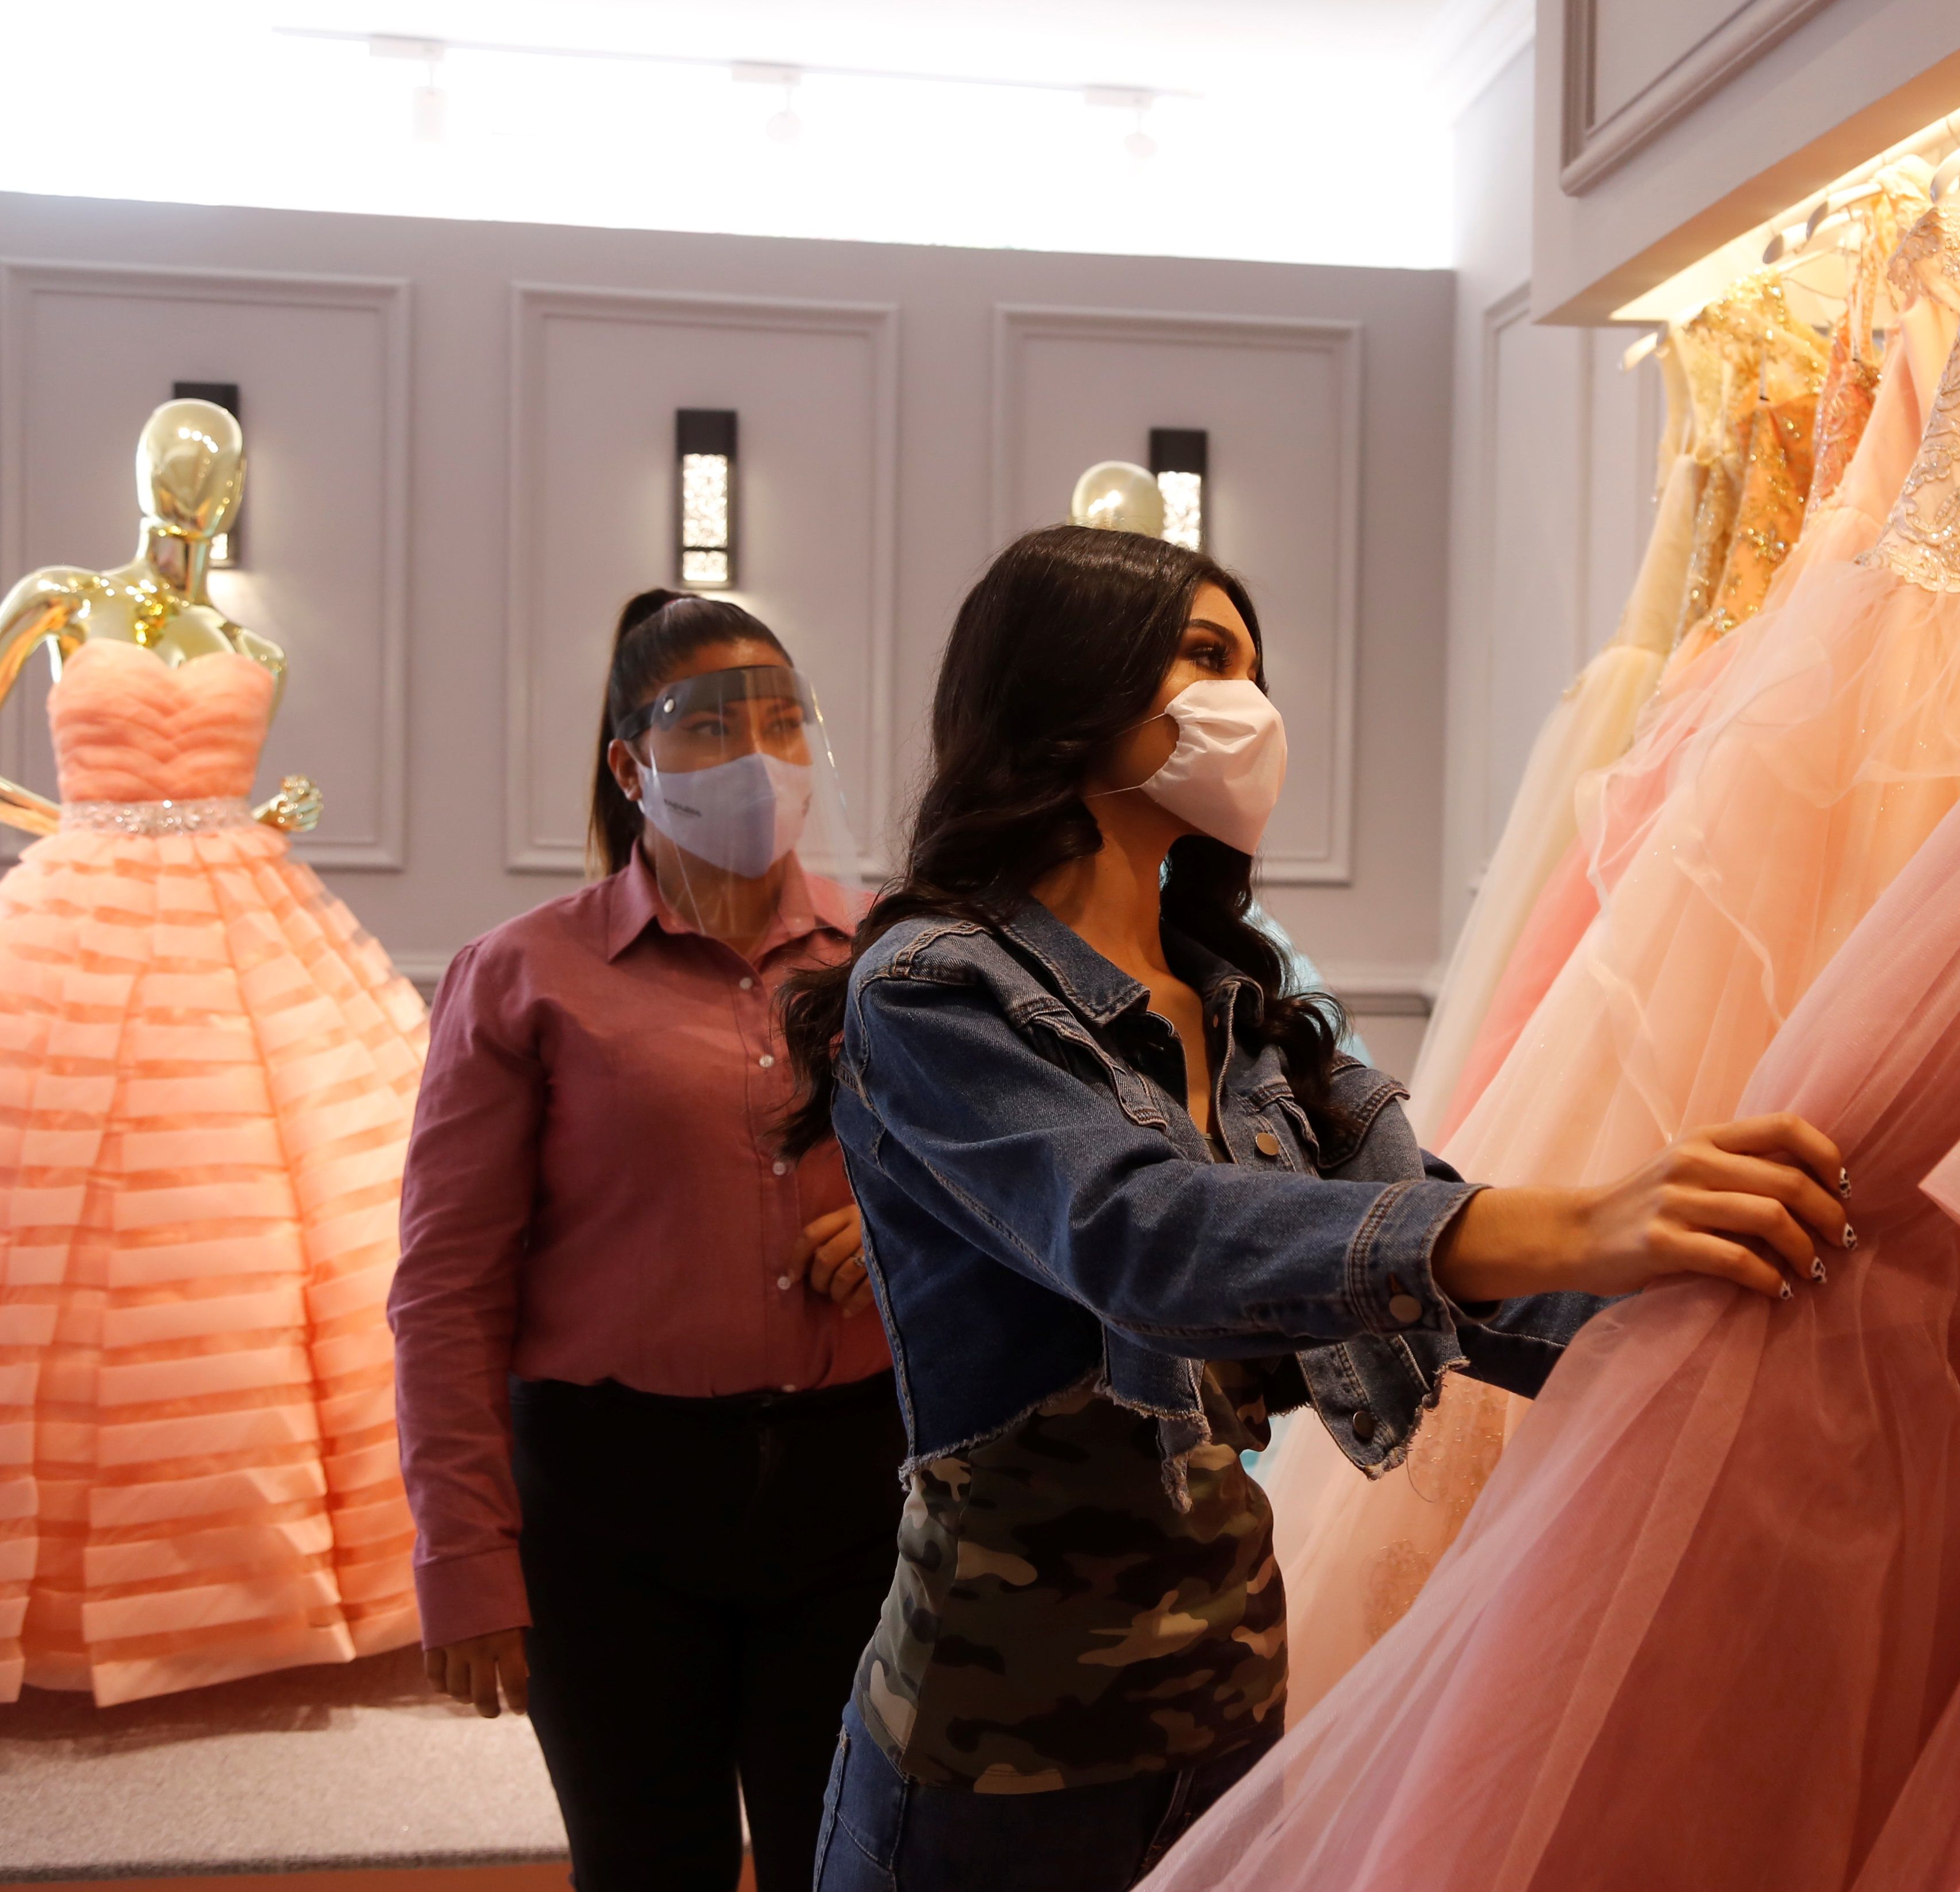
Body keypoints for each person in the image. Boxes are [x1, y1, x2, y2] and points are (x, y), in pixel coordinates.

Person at [778, 524, 1852, 1892]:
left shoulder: (1245, 1006)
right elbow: (1142, 1235)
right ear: (1069, 683)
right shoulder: (933, 987)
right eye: (1208, 657)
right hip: (1001, 1739)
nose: (1254, 708)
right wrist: (1579, 1218)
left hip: (1228, 1694)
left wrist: (1743, 1323)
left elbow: (1452, 1266)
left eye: (1253, 666)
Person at [388, 591, 896, 1892]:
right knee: (643, 1863)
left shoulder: (892, 956)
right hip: (609, 1500)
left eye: (784, 722)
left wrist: (900, 1231)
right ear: (632, 762)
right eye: (714, 726)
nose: (759, 757)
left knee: (843, 1859)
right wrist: (463, 1557)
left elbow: (998, 1197)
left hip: (857, 1488)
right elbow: (445, 1286)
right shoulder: (524, 974)